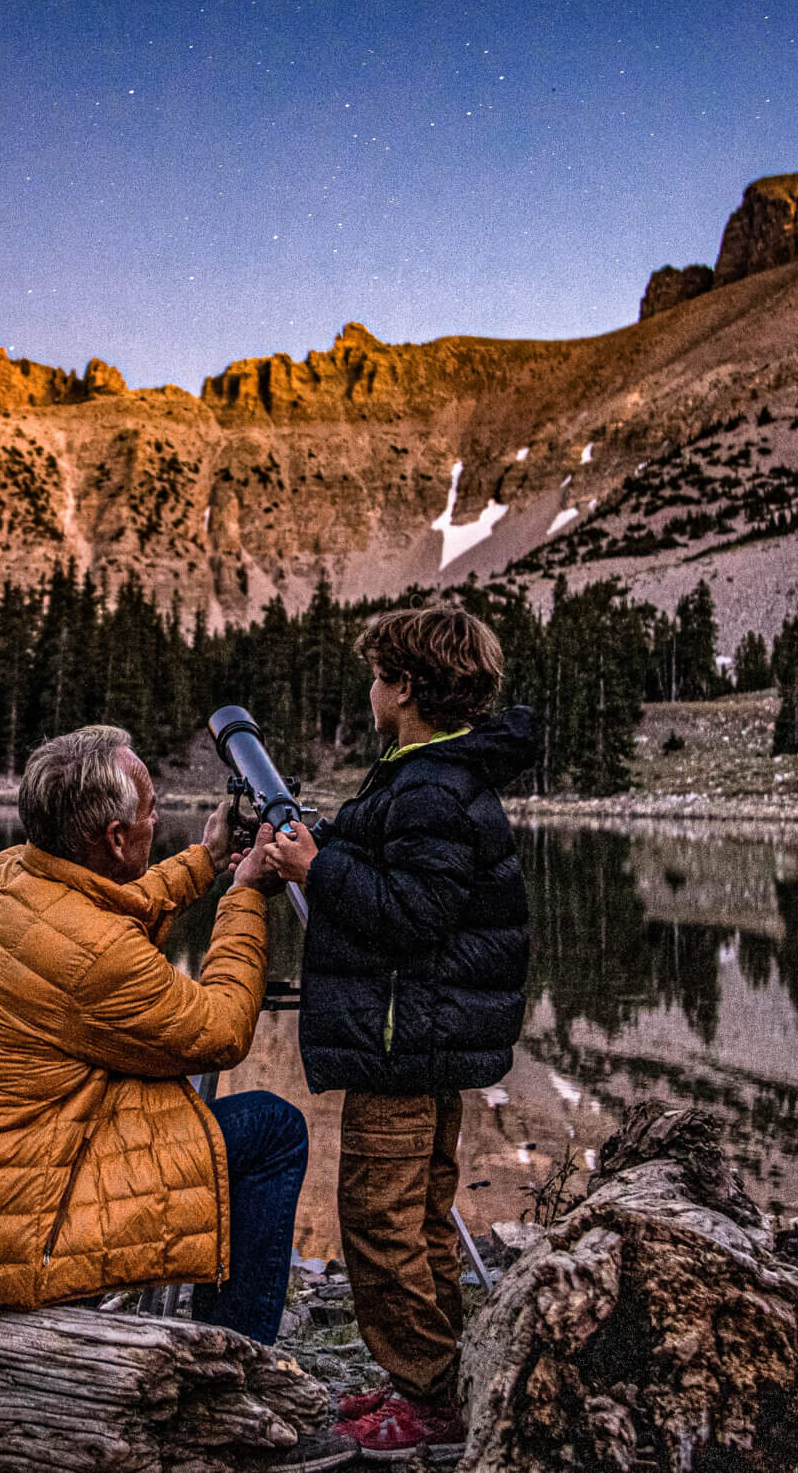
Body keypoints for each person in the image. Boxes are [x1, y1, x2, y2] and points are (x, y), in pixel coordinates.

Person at [0, 724, 358, 1472]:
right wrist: (242, 897)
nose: (155, 817)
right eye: (147, 813)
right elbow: (221, 1029)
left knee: (171, 1103)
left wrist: (202, 861)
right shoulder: (95, 955)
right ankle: (237, 1391)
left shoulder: (7, 876)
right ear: (111, 835)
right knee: (270, 1131)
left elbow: (107, 909)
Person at [266, 606, 535, 1461]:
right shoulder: (429, 776)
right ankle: (430, 1378)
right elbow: (403, 869)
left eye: (379, 677)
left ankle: (425, 1403)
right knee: (419, 1217)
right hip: (424, 1040)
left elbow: (413, 911)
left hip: (401, 1043)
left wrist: (316, 866)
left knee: (380, 1222)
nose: (372, 690)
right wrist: (335, 839)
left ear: (406, 688)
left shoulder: (425, 785)